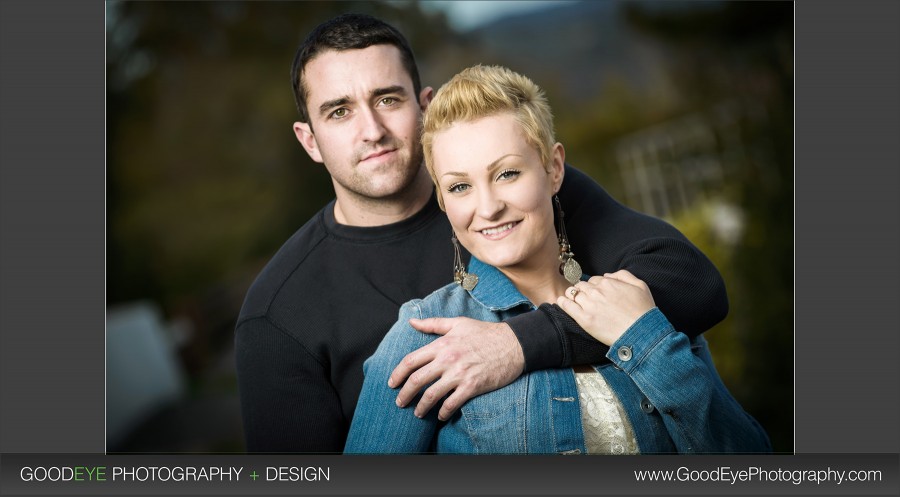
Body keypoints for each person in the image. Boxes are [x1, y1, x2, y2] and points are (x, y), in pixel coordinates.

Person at [235, 13, 729, 453]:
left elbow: (694, 285)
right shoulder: (276, 314)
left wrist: (515, 345)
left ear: (424, 107)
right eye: (339, 111)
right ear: (310, 140)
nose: (372, 130)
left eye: (388, 99)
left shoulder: (533, 200)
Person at [344, 65, 770, 454]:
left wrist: (644, 339)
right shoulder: (424, 337)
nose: (488, 207)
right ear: (442, 199)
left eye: (507, 173)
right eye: (459, 187)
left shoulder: (636, 298)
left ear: (554, 169)